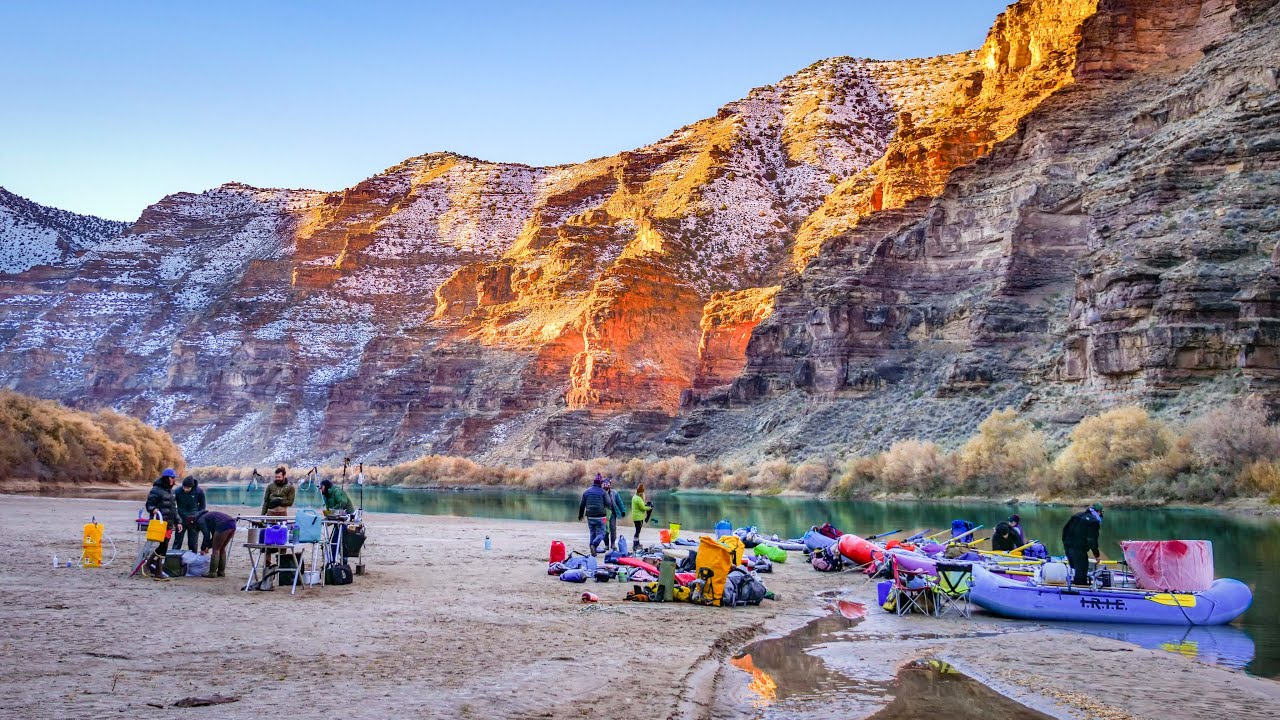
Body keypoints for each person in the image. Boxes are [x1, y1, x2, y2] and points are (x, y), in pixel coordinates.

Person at [143, 468, 182, 579]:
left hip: (169, 523)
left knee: (164, 546)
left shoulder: (171, 492)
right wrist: (153, 509)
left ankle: (151, 565)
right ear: (166, 478)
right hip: (159, 523)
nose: (174, 480)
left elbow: (174, 509)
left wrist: (178, 521)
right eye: (172, 478)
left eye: (174, 478)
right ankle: (157, 570)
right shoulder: (156, 490)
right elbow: (149, 505)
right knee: (163, 546)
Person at [1062, 504, 1103, 586]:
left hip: (1068, 547)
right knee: (1081, 572)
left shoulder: (1076, 516)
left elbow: (1065, 531)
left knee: (1073, 570)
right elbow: (1092, 540)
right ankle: (1080, 592)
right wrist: (1096, 555)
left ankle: (1072, 587)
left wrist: (1066, 545)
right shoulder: (1093, 522)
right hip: (1079, 550)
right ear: (1098, 512)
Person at [194, 509, 237, 578]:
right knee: (222, 548)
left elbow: (206, 536)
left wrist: (203, 548)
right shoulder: (209, 516)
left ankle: (212, 573)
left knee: (216, 550)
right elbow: (214, 537)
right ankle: (221, 572)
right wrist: (208, 546)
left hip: (223, 525)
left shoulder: (200, 520)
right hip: (232, 524)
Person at [578, 474, 609, 556]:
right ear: (600, 483)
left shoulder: (586, 492)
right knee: (602, 533)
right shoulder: (603, 492)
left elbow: (582, 505)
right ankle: (594, 545)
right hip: (601, 516)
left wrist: (580, 515)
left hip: (590, 516)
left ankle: (593, 551)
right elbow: (609, 504)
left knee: (592, 532)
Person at [173, 476, 206, 552]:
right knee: (177, 541)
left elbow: (202, 507)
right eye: (184, 487)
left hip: (193, 520)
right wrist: (176, 520)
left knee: (193, 543)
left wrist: (198, 518)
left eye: (187, 488)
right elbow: (173, 506)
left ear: (192, 486)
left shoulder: (199, 492)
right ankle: (173, 559)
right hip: (180, 520)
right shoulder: (177, 491)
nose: (185, 489)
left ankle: (193, 559)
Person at [602, 477, 626, 551]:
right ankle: (606, 545)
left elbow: (619, 502)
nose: (606, 485)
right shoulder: (600, 493)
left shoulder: (614, 493)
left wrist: (623, 511)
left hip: (612, 514)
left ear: (610, 484)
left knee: (613, 529)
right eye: (605, 484)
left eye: (608, 484)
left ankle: (613, 544)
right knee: (605, 530)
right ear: (602, 484)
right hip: (603, 514)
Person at [631, 482, 654, 548]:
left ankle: (637, 543)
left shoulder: (635, 497)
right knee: (638, 531)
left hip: (635, 517)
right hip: (638, 517)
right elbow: (643, 508)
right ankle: (635, 544)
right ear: (640, 492)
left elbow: (642, 505)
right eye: (642, 492)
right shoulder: (638, 498)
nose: (643, 493)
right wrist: (650, 508)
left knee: (638, 530)